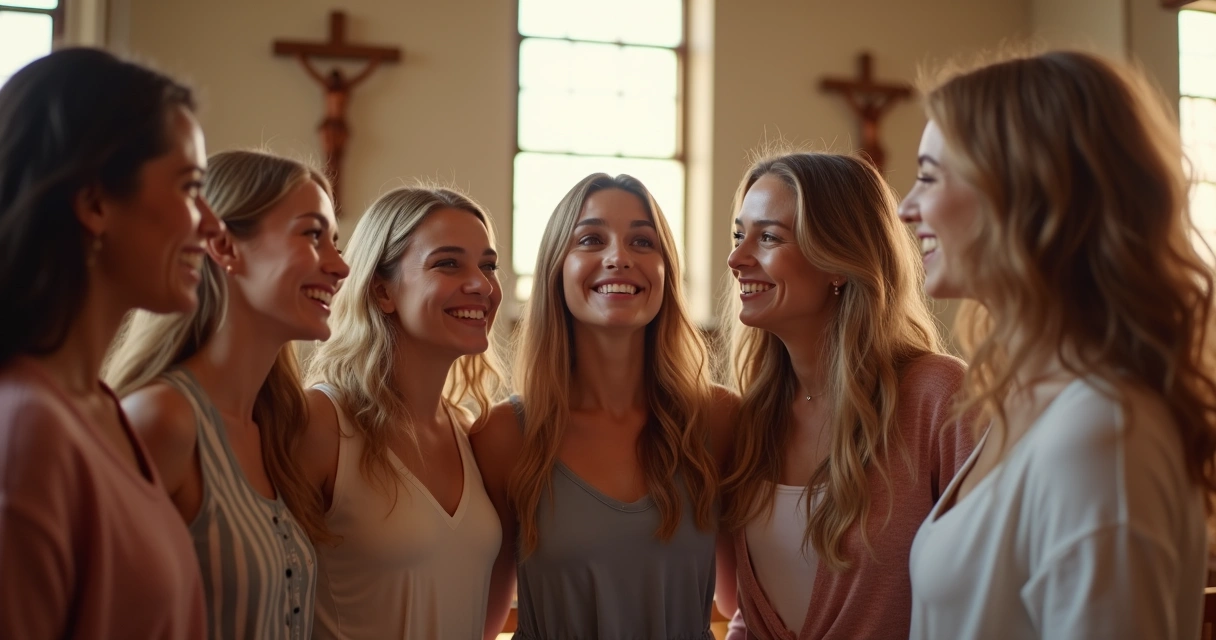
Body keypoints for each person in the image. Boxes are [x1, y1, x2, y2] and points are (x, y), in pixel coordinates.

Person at [899, 50, 1216, 639]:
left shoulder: (1102, 435)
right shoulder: (1021, 403)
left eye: (928, 176)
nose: (905, 205)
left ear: (1024, 193)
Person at [0, 48, 219, 638]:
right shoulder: (27, 433)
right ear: (96, 203)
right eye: (190, 187)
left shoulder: (100, 410)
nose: (212, 224)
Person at [719, 151, 974, 639]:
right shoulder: (753, 417)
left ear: (838, 260)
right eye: (739, 235)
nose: (736, 258)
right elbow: (754, 613)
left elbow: (991, 589)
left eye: (768, 237)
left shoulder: (939, 397)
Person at [472, 173, 736, 640]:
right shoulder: (504, 436)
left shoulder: (718, 421)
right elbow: (479, 624)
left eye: (642, 241)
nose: (619, 258)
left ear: (665, 271)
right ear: (557, 267)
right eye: (591, 240)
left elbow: (745, 603)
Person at [104, 150, 349, 639]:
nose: (340, 266)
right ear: (224, 246)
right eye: (313, 235)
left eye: (335, 242)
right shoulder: (162, 420)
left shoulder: (278, 431)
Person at [297, 186, 505, 639]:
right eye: (448, 263)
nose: (482, 285)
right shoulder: (321, 422)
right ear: (381, 290)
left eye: (488, 265)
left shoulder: (468, 432)